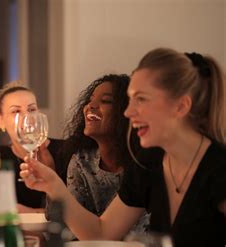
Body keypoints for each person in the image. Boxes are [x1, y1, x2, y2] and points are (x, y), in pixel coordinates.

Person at [20, 48, 226, 246]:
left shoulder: (219, 168)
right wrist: (53, 185)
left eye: (141, 99)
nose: (128, 112)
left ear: (181, 106)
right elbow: (101, 233)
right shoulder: (150, 160)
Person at [45, 74, 149, 240]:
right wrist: (49, 179)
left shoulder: (143, 163)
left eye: (105, 101)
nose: (90, 106)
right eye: (90, 100)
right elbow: (68, 227)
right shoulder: (82, 161)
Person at [0, 80, 66, 213]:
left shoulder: (66, 150)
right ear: (0, 122)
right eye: (16, 111)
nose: (27, 117)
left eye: (31, 109)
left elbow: (70, 210)